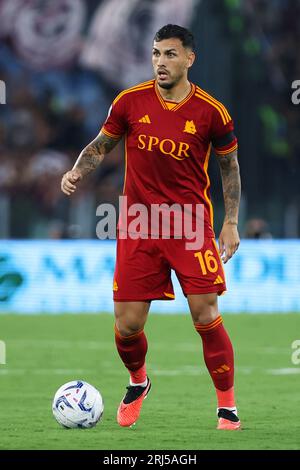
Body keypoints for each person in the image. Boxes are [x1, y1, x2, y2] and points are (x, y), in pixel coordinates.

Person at [61, 24, 241, 431]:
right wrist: (77, 170)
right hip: (139, 226)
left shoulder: (212, 112)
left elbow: (229, 166)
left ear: (189, 59)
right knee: (127, 326)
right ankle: (138, 382)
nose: (161, 61)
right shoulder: (129, 102)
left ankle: (227, 408)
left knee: (206, 314)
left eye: (170, 54)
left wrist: (229, 221)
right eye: (157, 53)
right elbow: (100, 145)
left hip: (192, 226)